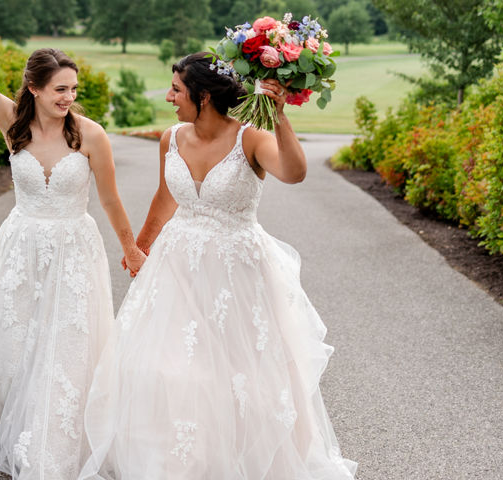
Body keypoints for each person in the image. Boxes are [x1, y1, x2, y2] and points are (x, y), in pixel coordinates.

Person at [79, 52, 358, 479]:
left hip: (236, 273)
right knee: (166, 366)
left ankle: (241, 461)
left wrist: (280, 116)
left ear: (203, 96)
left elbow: (294, 173)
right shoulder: (170, 138)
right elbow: (165, 197)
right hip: (175, 266)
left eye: (176, 89)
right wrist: (140, 247)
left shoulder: (252, 137)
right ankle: (179, 461)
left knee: (238, 374)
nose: (170, 97)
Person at [0, 13, 146, 479]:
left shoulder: (90, 134)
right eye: (60, 90)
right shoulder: (12, 124)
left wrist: (131, 248)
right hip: (21, 245)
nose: (69, 98)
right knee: (17, 336)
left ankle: (58, 430)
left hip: (75, 248)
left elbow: (110, 199)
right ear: (33, 88)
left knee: (66, 340)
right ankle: (12, 417)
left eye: (74, 90)